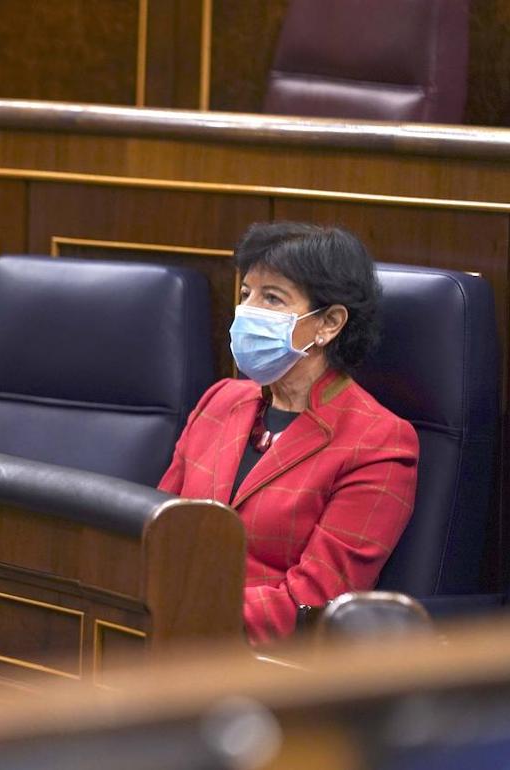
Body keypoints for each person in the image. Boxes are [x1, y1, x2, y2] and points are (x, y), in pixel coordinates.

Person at [158, 222, 419, 644]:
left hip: (267, 663)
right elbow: (155, 533)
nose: (247, 311)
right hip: (163, 637)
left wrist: (183, 612)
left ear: (329, 323)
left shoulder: (379, 443)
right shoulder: (220, 401)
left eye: (272, 298)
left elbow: (316, 602)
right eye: (246, 294)